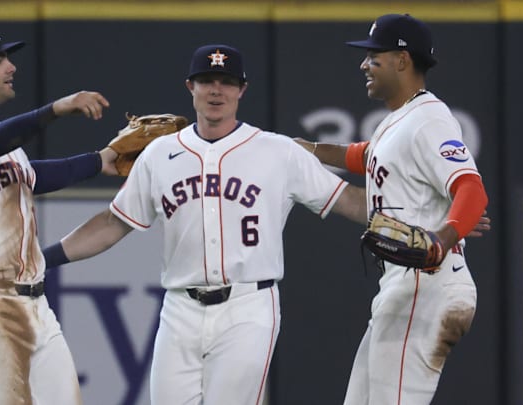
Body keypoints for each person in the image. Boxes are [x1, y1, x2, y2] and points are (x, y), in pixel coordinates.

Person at [40, 43, 368, 404]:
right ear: (189, 87)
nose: (217, 90)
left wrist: (422, 222)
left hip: (247, 305)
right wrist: (43, 260)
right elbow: (111, 224)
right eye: (207, 80)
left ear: (242, 89)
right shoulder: (159, 154)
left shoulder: (277, 150)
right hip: (180, 308)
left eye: (227, 82)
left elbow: (347, 200)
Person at [295, 14, 489, 405]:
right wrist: (308, 150)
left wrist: (443, 238)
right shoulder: (400, 120)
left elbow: (471, 188)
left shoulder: (429, 121)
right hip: (406, 287)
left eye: (373, 56)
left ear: (402, 60)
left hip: (427, 283)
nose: (364, 65)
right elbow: (365, 155)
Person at [0, 25, 118, 405]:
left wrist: (100, 161)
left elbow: (34, 175)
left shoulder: (5, 142)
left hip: (36, 305)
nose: (10, 67)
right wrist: (55, 110)